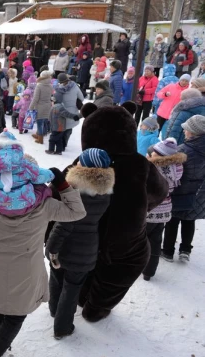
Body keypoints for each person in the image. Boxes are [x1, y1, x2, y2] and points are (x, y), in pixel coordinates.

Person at [0, 130, 86, 357]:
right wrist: (63, 185)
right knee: (16, 315)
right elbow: (77, 212)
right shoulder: (44, 203)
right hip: (26, 270)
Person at [78, 103, 167, 322]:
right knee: (116, 275)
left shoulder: (83, 164)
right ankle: (96, 308)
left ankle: (81, 297)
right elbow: (160, 191)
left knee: (86, 267)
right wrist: (141, 208)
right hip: (126, 242)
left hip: (86, 236)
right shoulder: (140, 164)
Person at [46, 148, 114, 339]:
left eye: (80, 162)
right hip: (87, 248)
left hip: (63, 246)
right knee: (72, 288)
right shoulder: (105, 193)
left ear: (86, 167)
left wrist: (52, 249)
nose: (76, 163)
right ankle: (62, 322)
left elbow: (63, 226)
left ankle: (58, 321)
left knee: (57, 277)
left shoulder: (73, 191)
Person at [162, 115, 205, 262]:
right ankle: (185, 250)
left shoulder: (183, 150)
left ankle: (167, 251)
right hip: (198, 194)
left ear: (193, 132)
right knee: (189, 221)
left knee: (172, 221)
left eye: (186, 129)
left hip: (180, 192)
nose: (184, 131)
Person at [142, 139, 186, 280]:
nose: (152, 152)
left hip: (150, 209)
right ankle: (149, 272)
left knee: (141, 240)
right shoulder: (176, 167)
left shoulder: (153, 168)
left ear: (160, 155)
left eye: (155, 151)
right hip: (165, 209)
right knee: (155, 242)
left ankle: (135, 266)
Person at [53, 73, 83, 150]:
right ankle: (65, 143)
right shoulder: (75, 86)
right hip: (72, 110)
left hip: (61, 110)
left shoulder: (58, 88)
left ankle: (61, 144)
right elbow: (81, 98)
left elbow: (55, 99)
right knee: (69, 127)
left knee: (62, 126)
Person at [30, 70, 53, 143]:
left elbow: (35, 98)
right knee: (44, 121)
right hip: (48, 106)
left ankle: (40, 139)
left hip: (40, 106)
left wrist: (31, 107)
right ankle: (38, 134)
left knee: (40, 123)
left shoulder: (39, 85)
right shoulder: (50, 85)